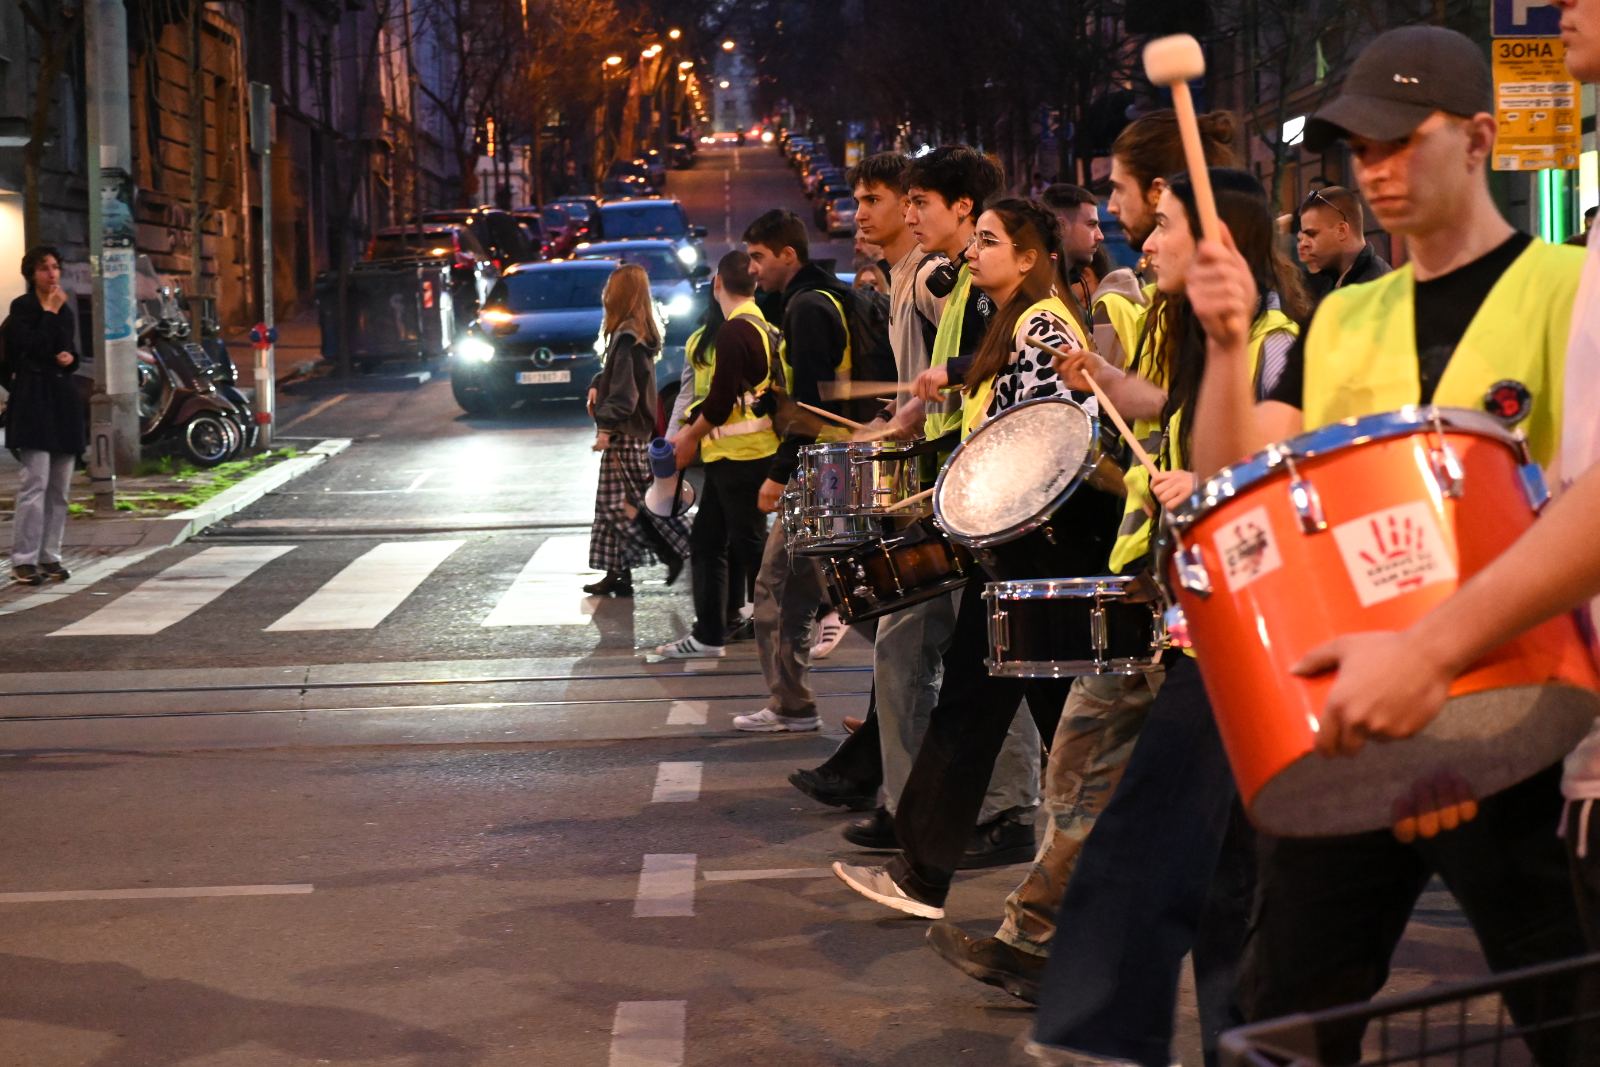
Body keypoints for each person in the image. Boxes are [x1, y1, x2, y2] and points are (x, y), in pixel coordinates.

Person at [1187, 25, 1588, 1062]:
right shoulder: (1342, 316)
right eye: (1359, 149)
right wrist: (1227, 351)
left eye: (1401, 140)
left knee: (1571, 1008)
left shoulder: (1567, 289)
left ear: (1480, 137)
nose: (1374, 169)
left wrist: (1450, 664)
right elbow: (1240, 479)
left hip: (1520, 716)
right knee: (1286, 1015)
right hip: (1356, 714)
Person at [923, 113, 1242, 1003]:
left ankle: (1105, 974)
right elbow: (1159, 404)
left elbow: (1261, 443)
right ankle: (1041, 944)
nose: (1109, 218)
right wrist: (1101, 381)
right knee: (1079, 762)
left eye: (1127, 197)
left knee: (1206, 837)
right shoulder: (1168, 317)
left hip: (1207, 604)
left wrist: (1201, 482)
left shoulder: (1253, 326)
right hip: (1149, 583)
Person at [1020, 168, 1302, 1067]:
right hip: (1188, 610)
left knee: (1173, 845)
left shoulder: (1275, 342)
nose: (1144, 244)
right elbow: (1178, 418)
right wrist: (1104, 374)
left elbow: (1260, 466)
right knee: (1226, 874)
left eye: (1166, 226)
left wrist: (1206, 484)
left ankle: (1097, 1016)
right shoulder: (1199, 337)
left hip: (1254, 627)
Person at [832, 197, 1101, 916]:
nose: (972, 253)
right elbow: (997, 377)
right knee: (1034, 713)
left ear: (1028, 255)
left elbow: (1055, 434)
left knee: (1008, 710)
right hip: (1016, 552)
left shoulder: (1043, 320)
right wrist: (943, 382)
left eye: (987, 241)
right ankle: (932, 873)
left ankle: (930, 873)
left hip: (1035, 552)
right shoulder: (1016, 319)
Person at [734, 209, 851, 732]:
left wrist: (779, 474)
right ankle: (794, 701)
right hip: (846, 462)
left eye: (759, 257)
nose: (752, 269)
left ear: (788, 254)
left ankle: (791, 704)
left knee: (776, 586)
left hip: (820, 467)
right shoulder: (835, 296)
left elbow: (811, 406)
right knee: (807, 587)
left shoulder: (805, 307)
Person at [653, 251, 779, 659]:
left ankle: (795, 621)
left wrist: (687, 435)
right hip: (740, 456)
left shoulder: (734, 330)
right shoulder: (762, 327)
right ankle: (709, 634)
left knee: (752, 549)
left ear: (717, 284)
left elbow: (722, 402)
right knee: (710, 542)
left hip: (740, 457)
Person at [583, 263, 689, 598]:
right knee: (614, 504)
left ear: (620, 295)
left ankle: (676, 549)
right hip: (629, 433)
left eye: (610, 289)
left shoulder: (627, 338)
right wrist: (597, 383)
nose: (605, 295)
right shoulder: (630, 335)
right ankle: (618, 573)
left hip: (626, 435)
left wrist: (605, 426)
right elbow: (615, 377)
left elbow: (626, 396)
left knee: (627, 505)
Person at [3, 246, 84, 586]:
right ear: (31, 275)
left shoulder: (65, 307)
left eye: (55, 267)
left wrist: (71, 359)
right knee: (34, 483)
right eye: (43, 269)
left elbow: (67, 348)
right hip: (34, 402)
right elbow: (31, 347)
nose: (51, 274)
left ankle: (51, 555)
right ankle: (24, 559)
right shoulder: (22, 309)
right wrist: (49, 312)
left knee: (60, 487)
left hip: (62, 400)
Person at [1295, 184, 1391, 300]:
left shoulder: (1375, 288)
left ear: (1341, 230)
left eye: (1312, 234)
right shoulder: (1330, 279)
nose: (1304, 243)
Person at [1040, 183, 1104, 333]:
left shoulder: (1064, 288)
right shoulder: (1040, 291)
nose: (1100, 236)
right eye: (1091, 225)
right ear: (1061, 227)